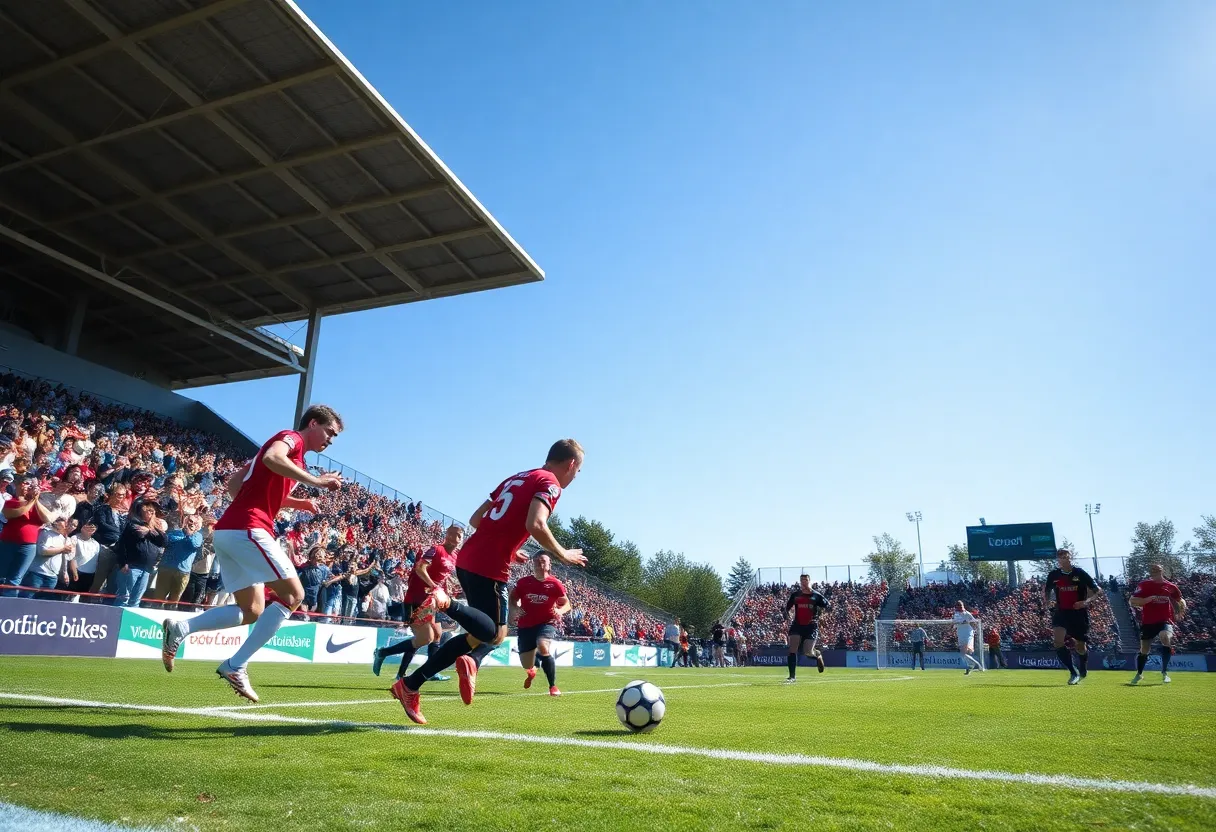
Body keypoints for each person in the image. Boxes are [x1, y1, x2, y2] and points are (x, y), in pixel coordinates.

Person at [390, 439, 587, 725]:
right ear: (571, 464)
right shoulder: (550, 483)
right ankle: (448, 604)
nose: (575, 477)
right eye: (578, 471)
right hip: (490, 566)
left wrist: (509, 546)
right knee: (493, 633)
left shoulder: (517, 477)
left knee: (482, 635)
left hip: (469, 557)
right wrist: (562, 553)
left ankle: (410, 685)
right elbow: (536, 523)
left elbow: (476, 518)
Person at [159, 405, 344, 702]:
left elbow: (235, 485)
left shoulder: (288, 454)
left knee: (252, 610)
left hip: (229, 532)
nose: (331, 440)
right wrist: (318, 483)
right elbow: (272, 459)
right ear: (312, 423)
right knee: (293, 595)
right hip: (249, 529)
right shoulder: (291, 439)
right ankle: (236, 665)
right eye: (329, 432)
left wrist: (298, 504)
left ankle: (181, 627)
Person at [373, 524, 463, 680]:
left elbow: (443, 576)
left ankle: (422, 672)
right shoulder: (435, 550)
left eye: (459, 536)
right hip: (416, 599)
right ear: (447, 535)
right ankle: (383, 653)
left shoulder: (454, 556)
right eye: (452, 534)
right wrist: (434, 586)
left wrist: (446, 590)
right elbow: (420, 569)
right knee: (424, 638)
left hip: (431, 601)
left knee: (435, 635)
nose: (455, 538)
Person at [510, 552, 571, 696]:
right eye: (536, 561)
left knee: (543, 645)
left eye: (543, 561)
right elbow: (512, 599)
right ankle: (534, 668)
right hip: (525, 625)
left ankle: (552, 686)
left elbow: (567, 604)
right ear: (533, 564)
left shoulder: (555, 584)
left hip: (546, 622)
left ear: (549, 565)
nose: (539, 563)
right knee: (527, 664)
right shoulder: (523, 582)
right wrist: (515, 609)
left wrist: (559, 611)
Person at [1044, 548, 1102, 685]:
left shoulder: (1080, 573)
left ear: (1071, 557)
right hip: (1061, 612)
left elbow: (1097, 590)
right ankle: (1072, 672)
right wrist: (1047, 602)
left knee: (1080, 646)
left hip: (1078, 613)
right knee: (1058, 641)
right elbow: (1047, 590)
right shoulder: (1053, 575)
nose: (1063, 558)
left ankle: (1083, 665)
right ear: (1057, 560)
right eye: (1060, 556)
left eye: (1066, 556)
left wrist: (1086, 601)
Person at [1129, 563, 1187, 685]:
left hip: (1165, 620)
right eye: (1152, 570)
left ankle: (1164, 673)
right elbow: (1132, 600)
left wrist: (1181, 610)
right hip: (1148, 621)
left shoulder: (1171, 587)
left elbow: (1180, 600)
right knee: (1144, 649)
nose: (1154, 572)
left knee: (1165, 637)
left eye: (1157, 570)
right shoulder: (1144, 585)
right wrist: (1146, 600)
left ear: (1161, 571)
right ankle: (1139, 674)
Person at [0, 474, 54, 595]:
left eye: (29, 485)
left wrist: (36, 500)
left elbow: (47, 518)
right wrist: (31, 502)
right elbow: (14, 513)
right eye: (25, 484)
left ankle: (7, 607)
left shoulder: (36, 505)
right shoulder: (11, 501)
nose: (27, 488)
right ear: (17, 486)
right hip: (8, 543)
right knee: (1, 575)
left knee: (15, 579)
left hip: (28, 547)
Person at [784, 574, 829, 682]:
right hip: (797, 624)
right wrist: (788, 615)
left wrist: (822, 617)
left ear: (809, 581)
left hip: (811, 626)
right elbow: (787, 607)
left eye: (806, 580)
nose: (804, 582)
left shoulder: (816, 596)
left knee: (808, 652)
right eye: (802, 580)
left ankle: (817, 655)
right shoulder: (796, 595)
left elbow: (828, 606)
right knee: (792, 649)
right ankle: (792, 677)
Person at [952, 600, 985, 675]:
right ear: (956, 607)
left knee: (965, 652)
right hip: (960, 634)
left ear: (963, 606)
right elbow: (955, 624)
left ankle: (977, 666)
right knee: (963, 654)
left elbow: (974, 622)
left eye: (961, 606)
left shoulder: (967, 614)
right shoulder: (956, 614)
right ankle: (970, 666)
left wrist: (973, 629)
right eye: (958, 606)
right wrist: (954, 626)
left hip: (968, 634)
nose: (960, 607)